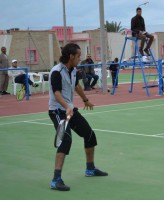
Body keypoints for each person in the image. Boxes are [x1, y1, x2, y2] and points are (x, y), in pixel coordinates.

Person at [48, 43, 108, 191]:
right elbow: (56, 93)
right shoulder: (56, 72)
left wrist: (85, 100)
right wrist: (66, 106)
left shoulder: (73, 70)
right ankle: (56, 180)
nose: (80, 59)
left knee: (89, 135)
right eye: (78, 56)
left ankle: (90, 169)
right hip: (57, 111)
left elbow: (76, 86)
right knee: (66, 140)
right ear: (71, 56)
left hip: (70, 109)